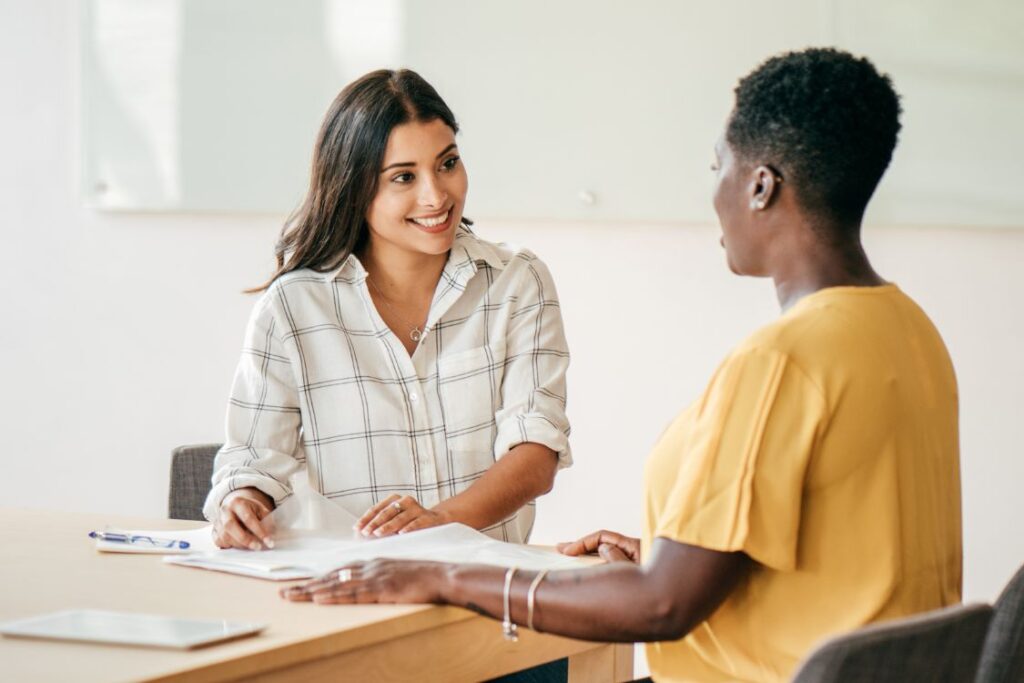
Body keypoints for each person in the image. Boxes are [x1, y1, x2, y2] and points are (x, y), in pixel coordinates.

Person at [281, 48, 963, 683]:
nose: (714, 193)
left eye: (716, 166)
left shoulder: (780, 363)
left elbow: (662, 609)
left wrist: (442, 577)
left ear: (760, 186)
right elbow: (843, 559)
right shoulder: (909, 331)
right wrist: (668, 556)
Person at [204, 70, 572, 551]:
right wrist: (243, 501)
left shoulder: (516, 281)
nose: (436, 196)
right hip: (350, 588)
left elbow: (536, 451)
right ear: (354, 188)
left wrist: (437, 522)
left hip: (484, 589)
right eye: (404, 177)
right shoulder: (293, 309)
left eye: (448, 164)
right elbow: (252, 459)